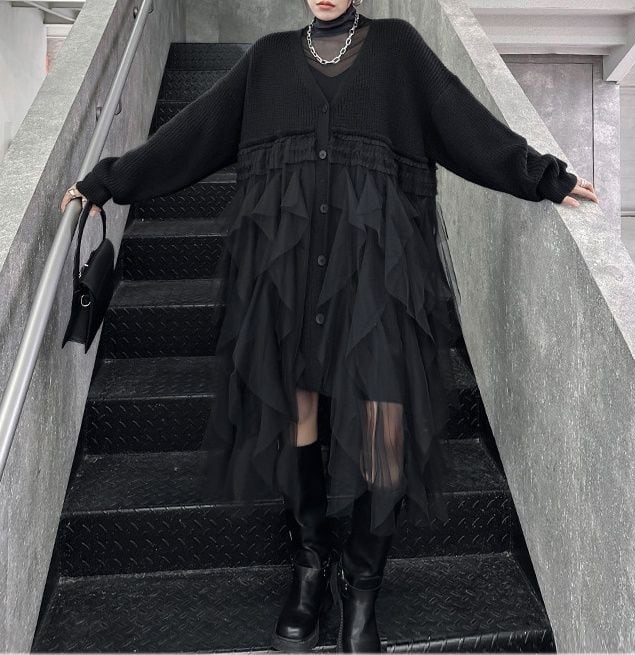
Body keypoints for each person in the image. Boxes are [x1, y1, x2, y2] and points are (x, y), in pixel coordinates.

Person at [61, 0, 599, 651]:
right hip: (287, 285)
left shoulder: (398, 50)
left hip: (380, 284)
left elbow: (462, 123)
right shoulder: (267, 62)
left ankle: (362, 585)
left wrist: (541, 176)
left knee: (383, 437)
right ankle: (312, 562)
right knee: (297, 424)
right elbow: (194, 134)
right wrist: (109, 181)